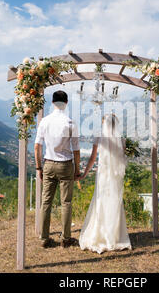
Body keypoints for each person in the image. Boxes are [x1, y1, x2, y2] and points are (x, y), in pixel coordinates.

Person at [78, 113, 132, 254]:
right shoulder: (121, 140)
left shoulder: (99, 138)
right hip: (115, 177)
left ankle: (101, 235)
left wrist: (85, 173)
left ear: (104, 124)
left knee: (101, 202)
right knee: (114, 202)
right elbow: (122, 159)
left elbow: (92, 158)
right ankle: (114, 236)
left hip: (103, 175)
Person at [34, 90, 81, 248]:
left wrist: (39, 167)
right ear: (66, 103)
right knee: (66, 203)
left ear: (52, 103)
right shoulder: (70, 123)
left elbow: (36, 147)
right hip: (66, 164)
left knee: (46, 202)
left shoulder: (44, 121)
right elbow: (76, 150)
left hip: (48, 164)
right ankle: (66, 238)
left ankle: (44, 238)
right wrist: (77, 169)